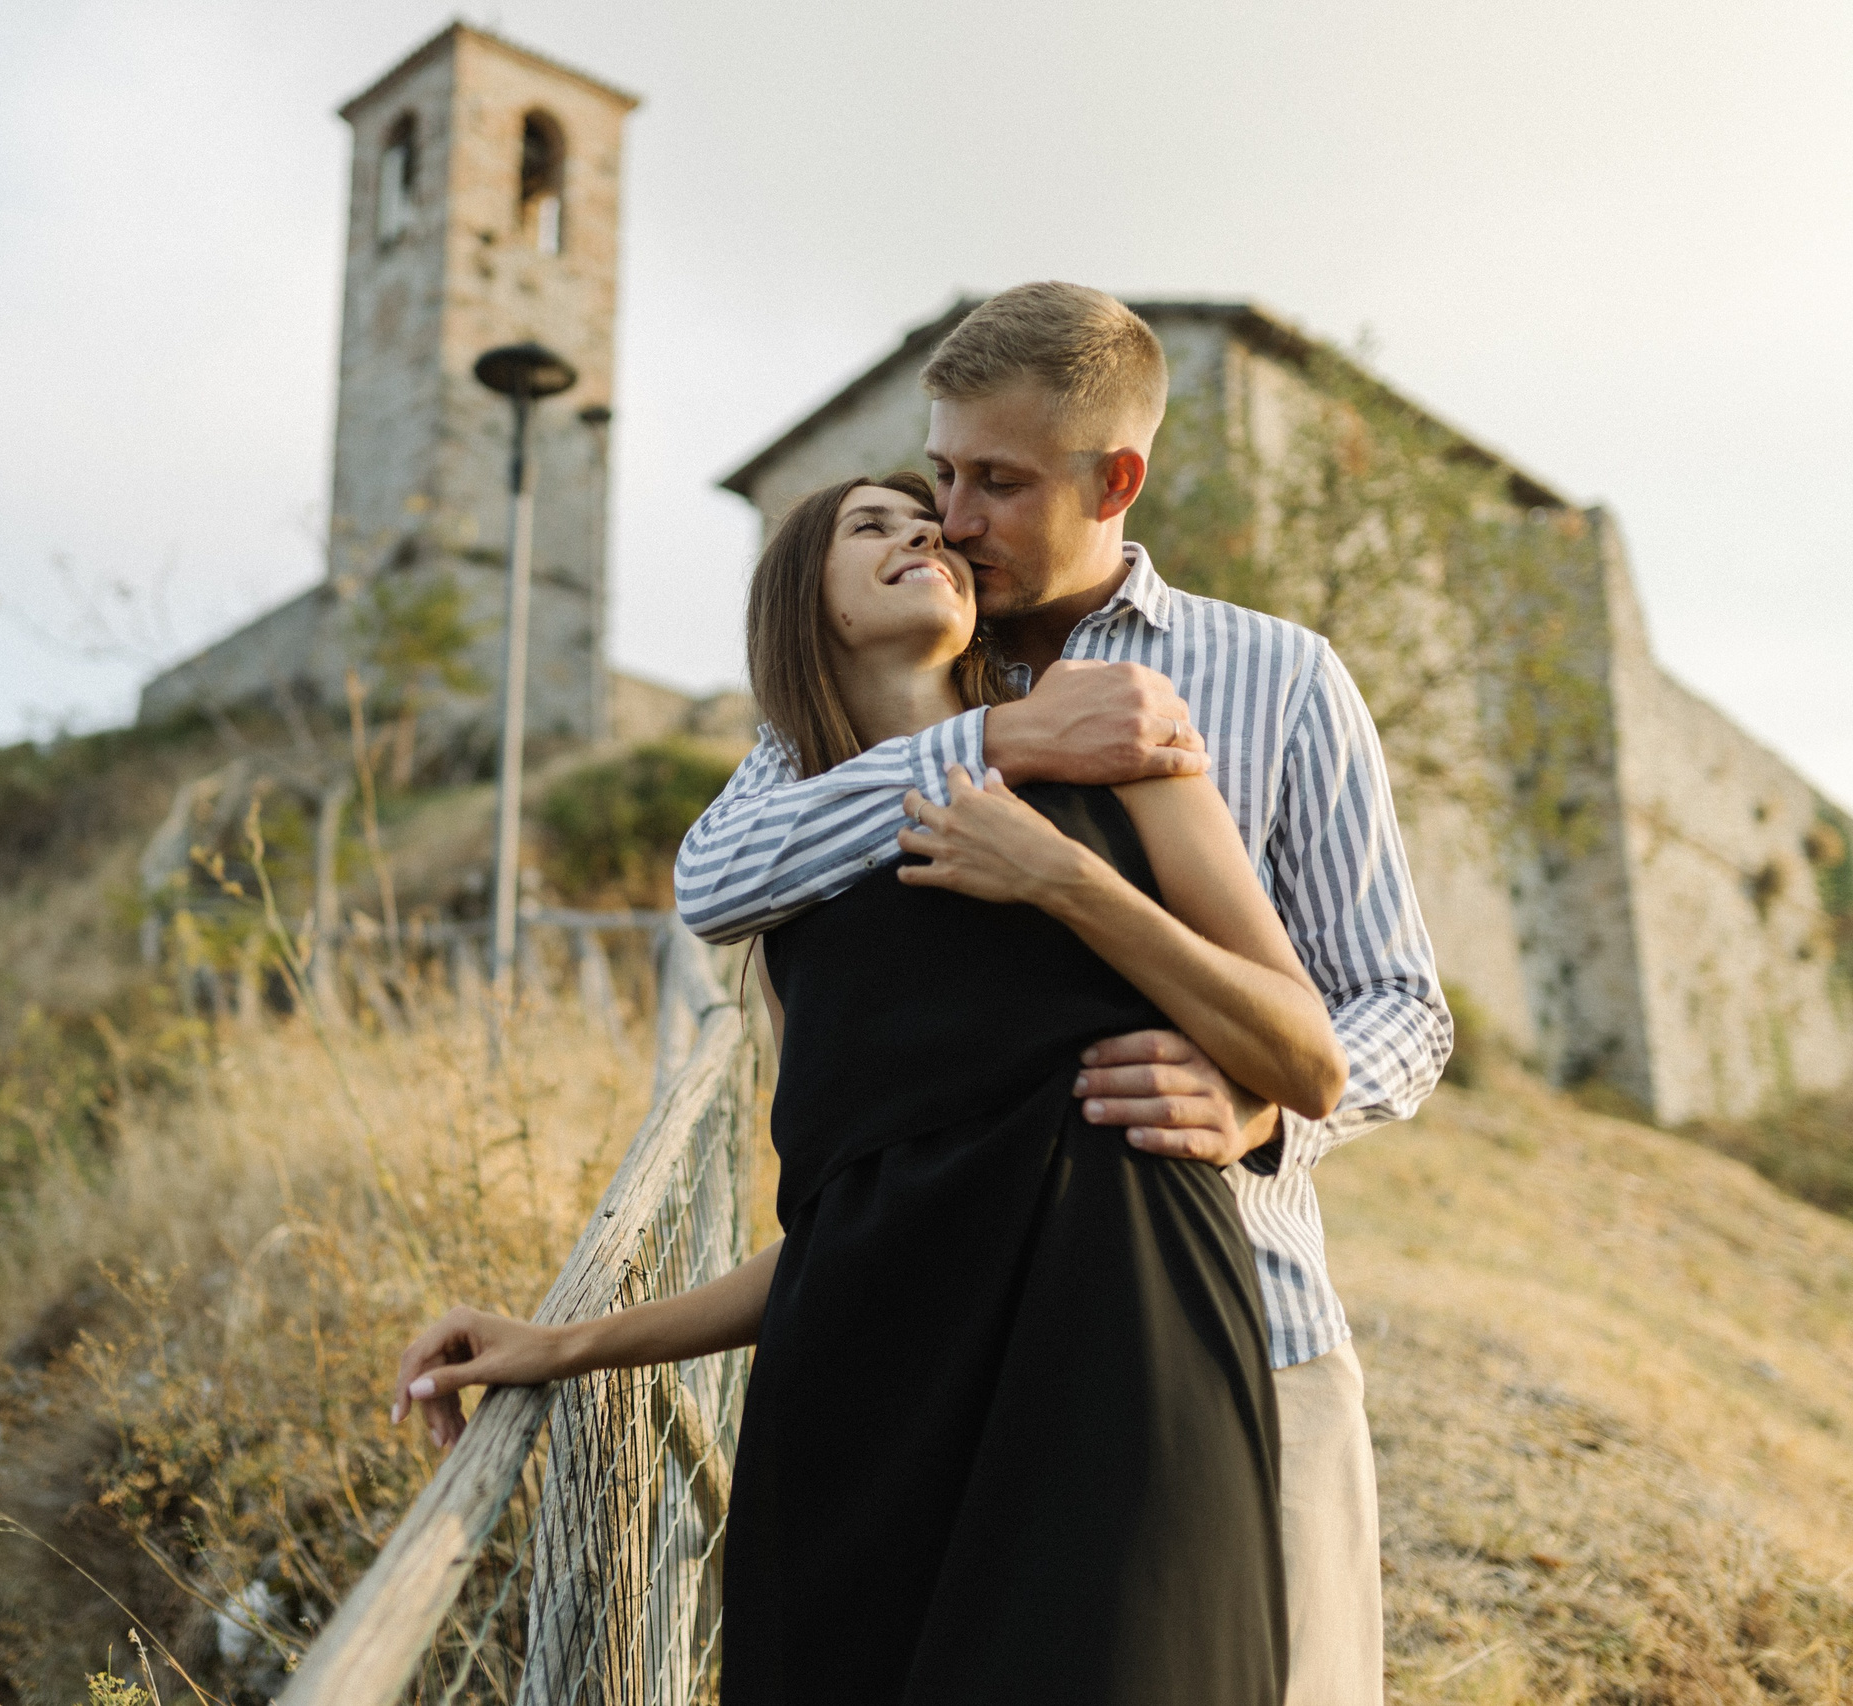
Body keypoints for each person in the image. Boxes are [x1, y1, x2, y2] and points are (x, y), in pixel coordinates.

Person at [394, 469, 1349, 1703]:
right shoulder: (786, 904)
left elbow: (1307, 1056)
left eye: (929, 519)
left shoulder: (1120, 744)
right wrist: (566, 1341)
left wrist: (1063, 880)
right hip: (859, 1418)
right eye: (872, 526)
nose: (923, 533)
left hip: (1127, 1368)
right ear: (813, 607)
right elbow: (842, 1229)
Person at [672, 282, 1453, 1706]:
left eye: (997, 482)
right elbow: (720, 875)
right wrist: (1001, 732)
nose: (952, 516)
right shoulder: (907, 659)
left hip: (1236, 1330)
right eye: (942, 471)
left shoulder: (1273, 675)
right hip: (931, 1347)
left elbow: (1399, 1001)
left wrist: (1261, 1102)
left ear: (1116, 481)